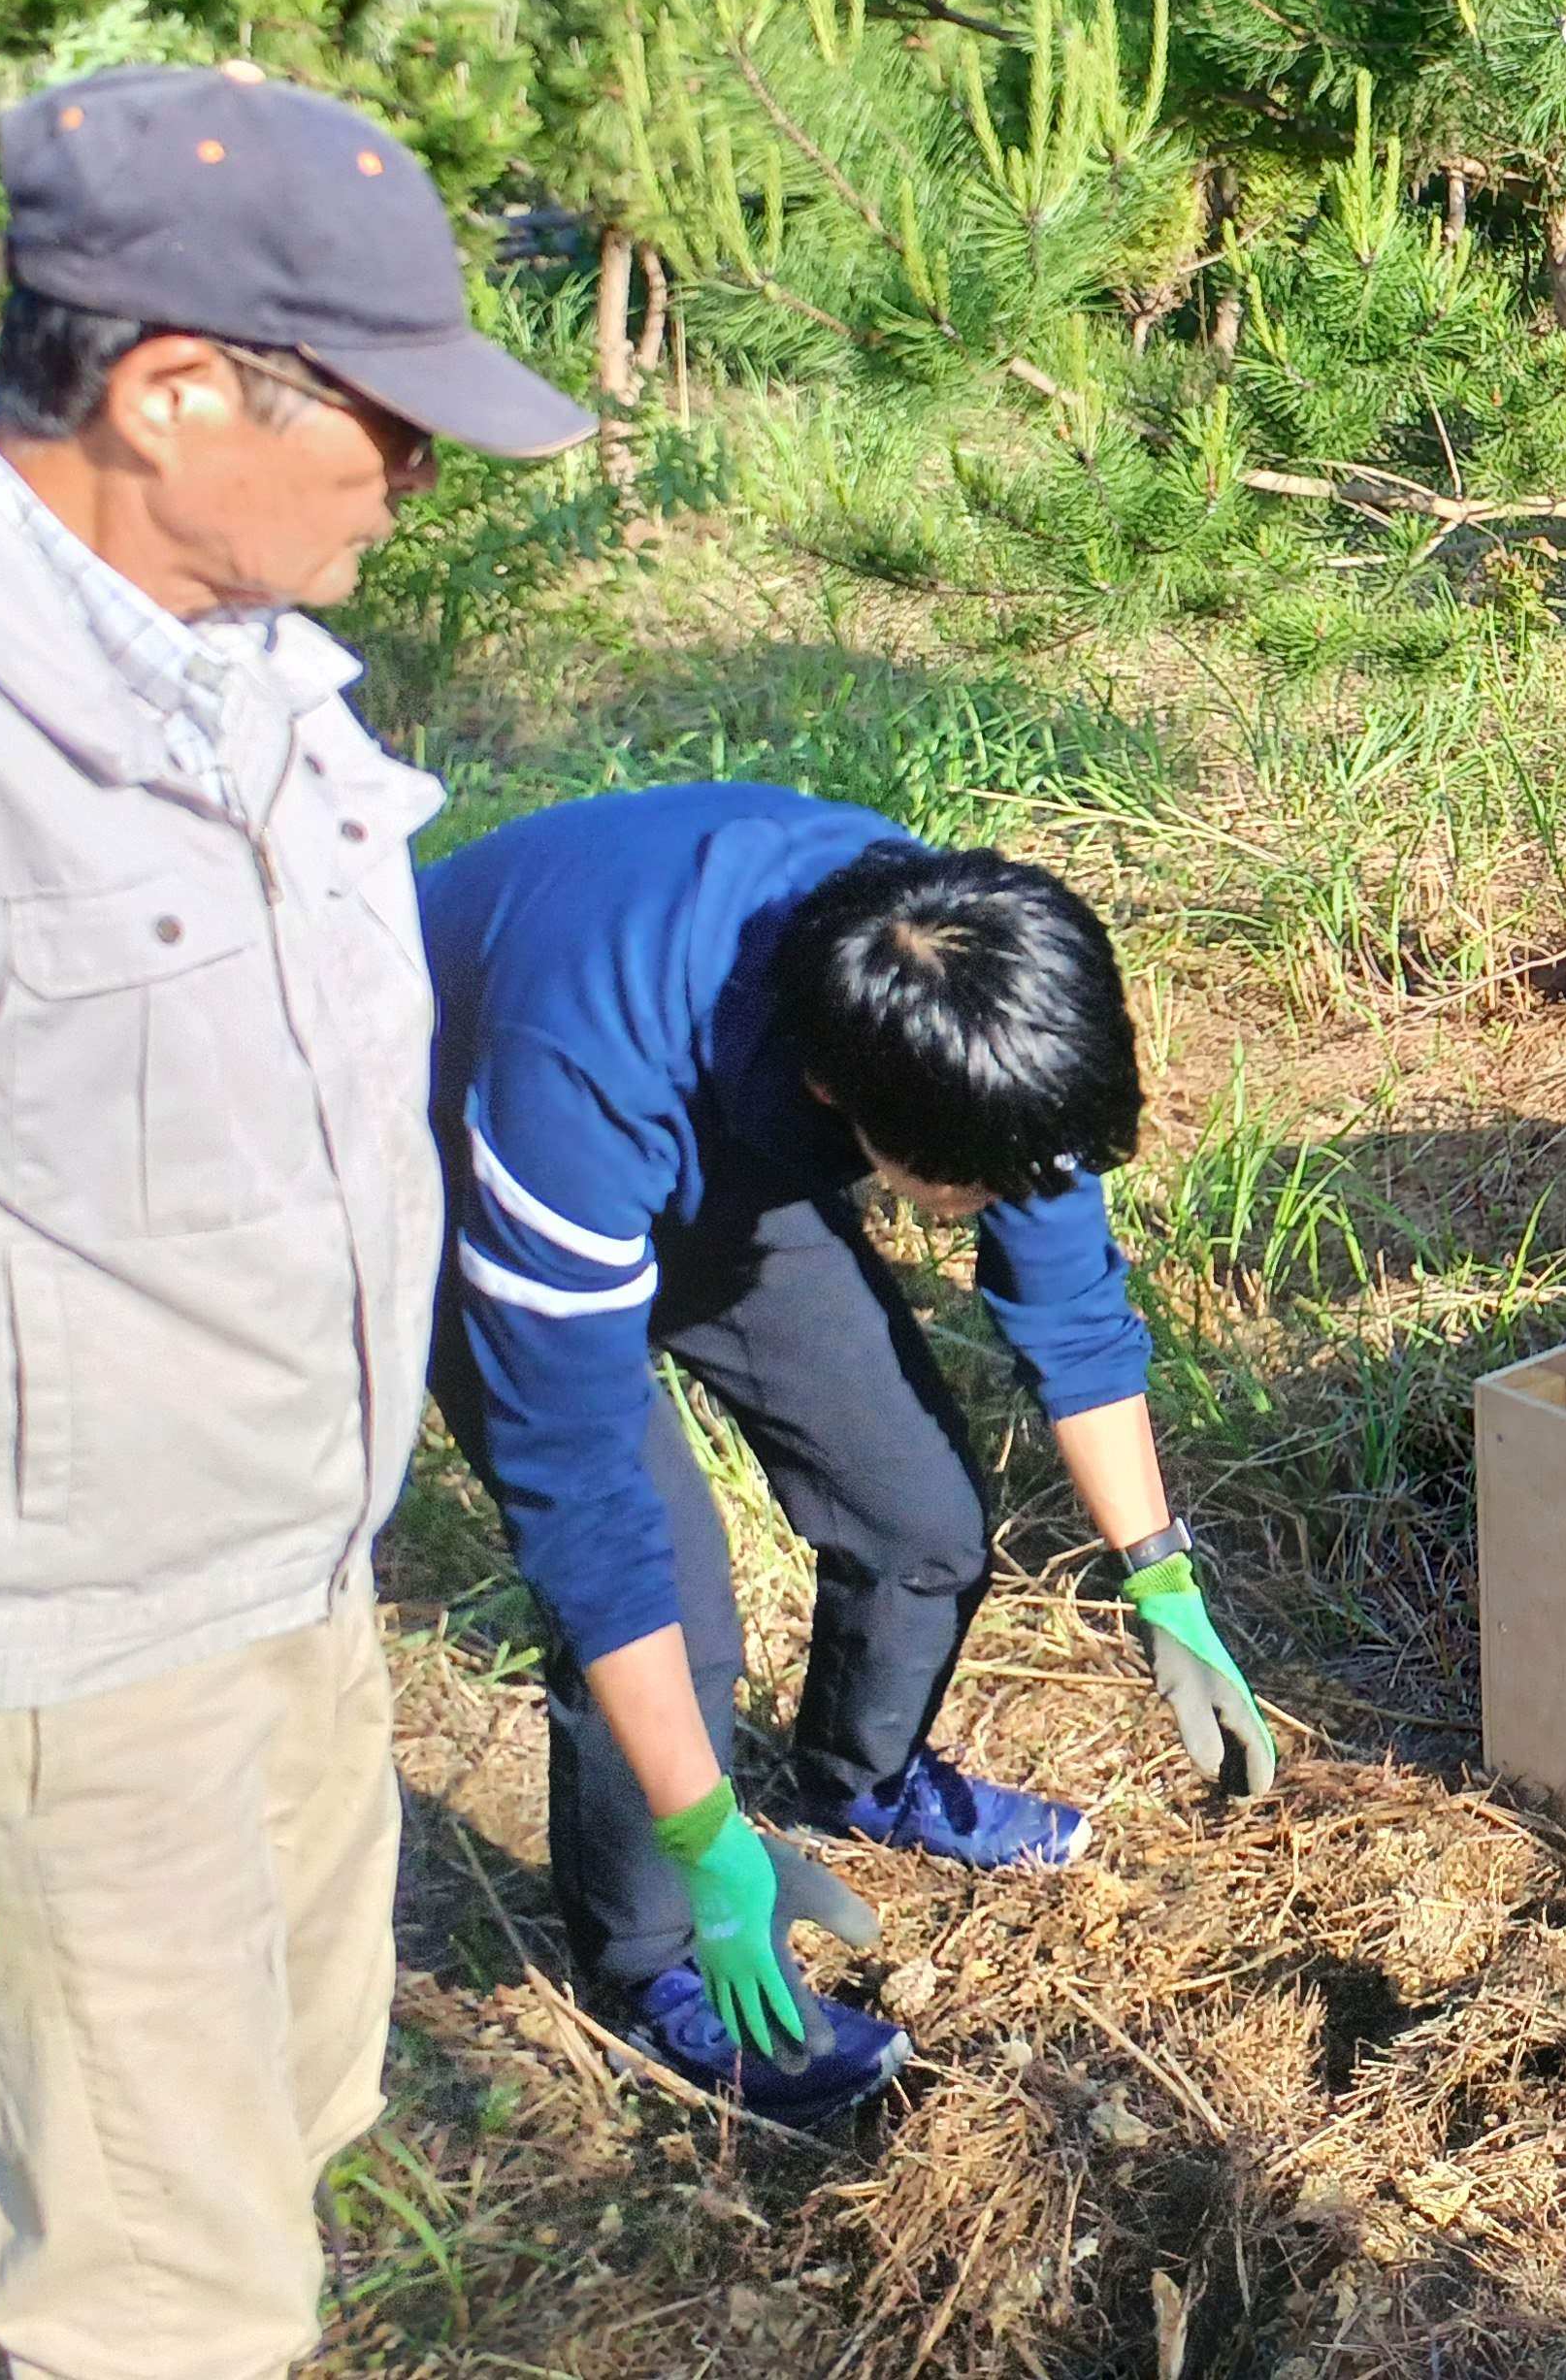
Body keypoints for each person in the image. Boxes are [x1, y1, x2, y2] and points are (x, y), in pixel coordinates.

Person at [0, 61, 592, 2377]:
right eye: (384, 428)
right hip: (73, 1661)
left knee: (288, 2119)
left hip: (301, 1574)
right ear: (176, 392)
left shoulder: (260, 679)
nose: (413, 485)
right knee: (156, 2301)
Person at [416, 782, 1276, 2126]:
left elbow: (1068, 1299)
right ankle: (655, 1962)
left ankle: (860, 1781)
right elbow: (578, 1495)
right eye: (973, 1190)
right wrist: (707, 1837)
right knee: (674, 1611)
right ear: (840, 1100)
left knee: (918, 1515)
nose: (1006, 1204)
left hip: (726, 1125)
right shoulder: (578, 1069)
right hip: (459, 1132)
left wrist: (1160, 1574)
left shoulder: (973, 995)